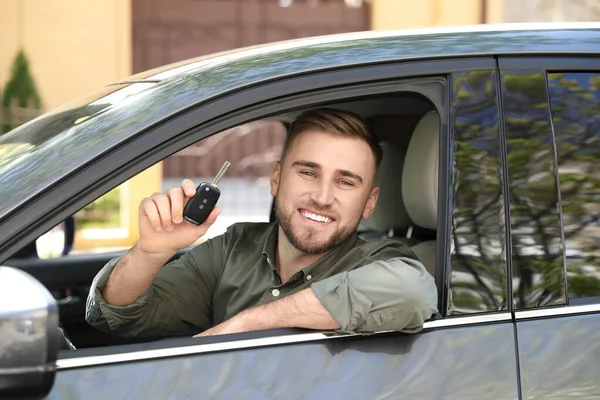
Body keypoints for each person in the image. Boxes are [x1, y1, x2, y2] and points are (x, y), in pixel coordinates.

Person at [85, 108, 438, 339]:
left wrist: (244, 324)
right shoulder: (232, 247)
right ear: (276, 179)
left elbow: (414, 292)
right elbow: (116, 315)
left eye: (346, 182)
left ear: (370, 203)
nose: (322, 196)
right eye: (308, 172)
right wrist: (149, 253)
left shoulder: (381, 260)